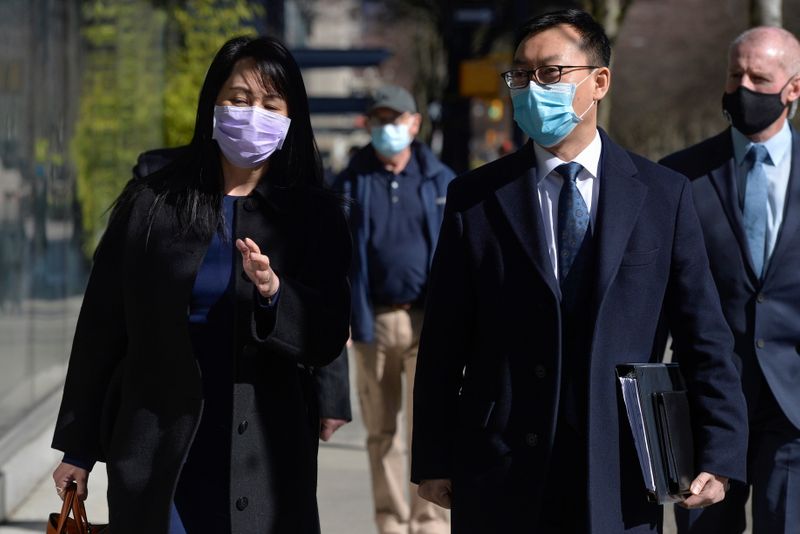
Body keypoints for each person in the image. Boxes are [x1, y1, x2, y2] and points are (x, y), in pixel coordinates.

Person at [410, 9, 749, 534]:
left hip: (620, 464)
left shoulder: (663, 196)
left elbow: (704, 336)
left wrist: (720, 452)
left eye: (550, 73)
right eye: (520, 74)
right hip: (499, 463)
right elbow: (444, 342)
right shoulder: (474, 197)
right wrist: (432, 457)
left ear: (599, 82)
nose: (531, 87)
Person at [50, 35, 351, 534]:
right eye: (238, 99)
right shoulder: (153, 199)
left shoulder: (315, 214)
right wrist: (79, 449)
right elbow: (103, 324)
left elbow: (326, 334)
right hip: (157, 447)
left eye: (270, 103)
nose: (252, 113)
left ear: (291, 117)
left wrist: (276, 295)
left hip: (265, 457)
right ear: (212, 104)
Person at [660, 26, 800, 534]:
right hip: (708, 405)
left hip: (795, 411)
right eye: (735, 74)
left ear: (793, 89)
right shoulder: (678, 178)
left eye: (759, 78)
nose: (743, 87)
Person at [334, 85, 454, 534]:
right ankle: (391, 522)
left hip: (430, 322)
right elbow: (337, 255)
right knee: (382, 432)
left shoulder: (440, 179)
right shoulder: (349, 182)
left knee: (430, 431)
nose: (389, 129)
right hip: (374, 320)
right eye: (380, 120)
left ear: (415, 124)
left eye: (396, 119)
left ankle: (430, 522)